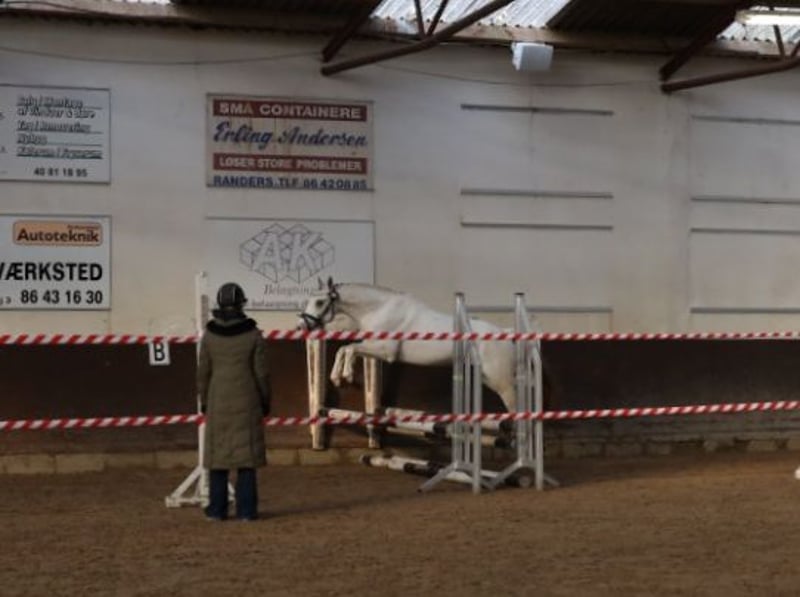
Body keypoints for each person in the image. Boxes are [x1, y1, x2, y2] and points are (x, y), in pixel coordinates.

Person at [197, 282, 271, 521]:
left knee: (218, 459)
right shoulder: (253, 334)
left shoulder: (209, 335)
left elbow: (203, 372)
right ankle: (246, 511)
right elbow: (261, 373)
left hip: (217, 398)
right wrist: (265, 400)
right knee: (246, 460)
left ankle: (217, 510)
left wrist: (204, 400)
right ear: (241, 304)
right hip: (247, 399)